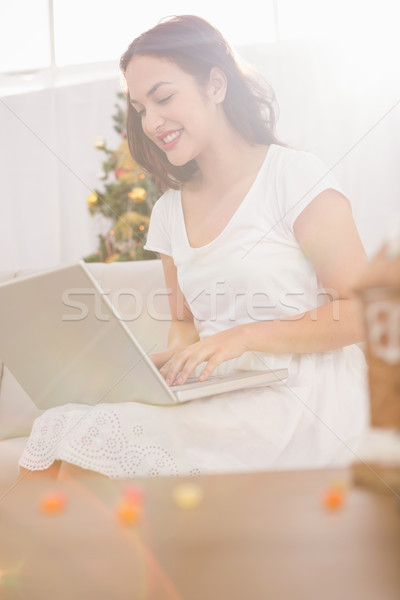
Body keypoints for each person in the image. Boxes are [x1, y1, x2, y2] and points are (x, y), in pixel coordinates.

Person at [18, 14, 368, 480]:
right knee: (59, 423)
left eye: (163, 97)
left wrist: (242, 336)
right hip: (226, 390)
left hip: (303, 397)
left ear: (216, 85)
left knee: (91, 442)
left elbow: (363, 310)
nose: (151, 121)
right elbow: (183, 321)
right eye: (140, 108)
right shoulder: (168, 210)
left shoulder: (292, 177)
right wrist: (172, 366)